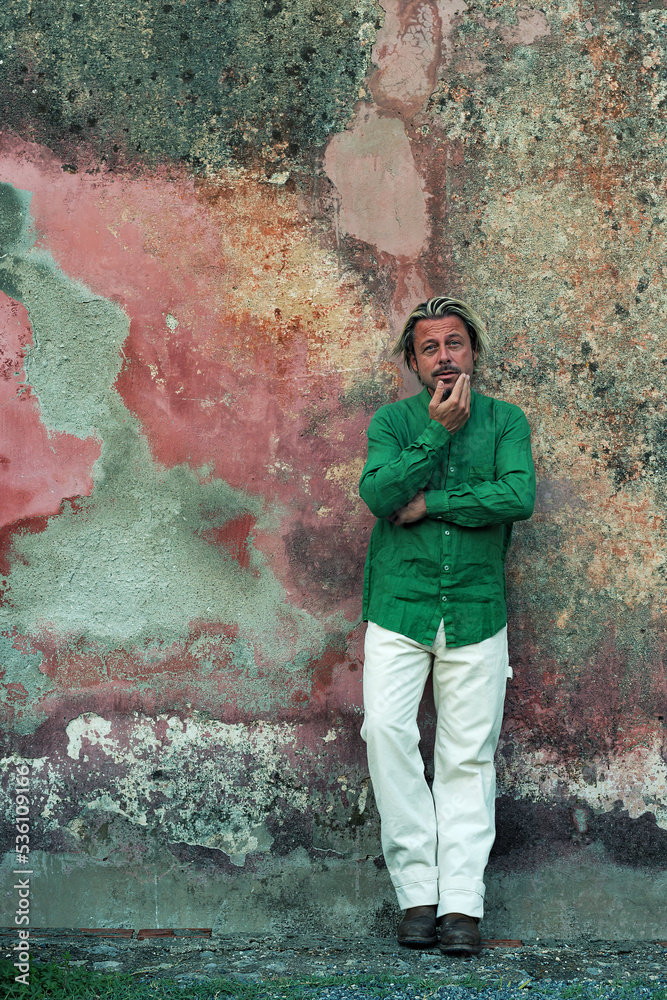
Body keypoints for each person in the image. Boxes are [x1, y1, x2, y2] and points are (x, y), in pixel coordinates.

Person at [358, 296, 535, 954]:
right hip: (400, 605)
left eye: (454, 344)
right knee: (384, 731)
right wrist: (434, 435)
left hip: (474, 607)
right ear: (412, 361)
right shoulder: (393, 422)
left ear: (473, 353)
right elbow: (377, 496)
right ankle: (417, 895)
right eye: (429, 347)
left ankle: (460, 905)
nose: (443, 357)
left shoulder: (505, 421)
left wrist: (431, 501)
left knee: (466, 754)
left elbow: (516, 496)